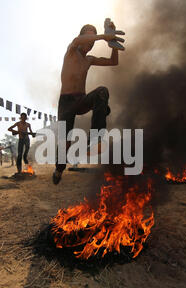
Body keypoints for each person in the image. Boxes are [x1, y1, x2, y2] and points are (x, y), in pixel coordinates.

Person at [52, 22, 123, 185]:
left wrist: (113, 44)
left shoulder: (89, 59)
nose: (90, 43)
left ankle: (96, 137)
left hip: (81, 100)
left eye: (92, 42)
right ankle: (59, 169)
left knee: (102, 92)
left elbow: (114, 62)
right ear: (83, 37)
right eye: (89, 38)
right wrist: (104, 36)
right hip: (66, 103)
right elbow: (78, 40)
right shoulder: (71, 50)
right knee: (65, 142)